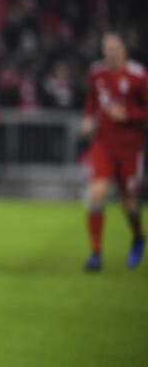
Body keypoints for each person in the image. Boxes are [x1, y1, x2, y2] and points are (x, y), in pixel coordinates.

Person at [81, 31, 147, 271]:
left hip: (130, 147)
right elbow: (91, 98)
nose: (111, 53)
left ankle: (138, 236)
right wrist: (89, 117)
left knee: (128, 202)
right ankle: (95, 253)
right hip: (104, 144)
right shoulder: (96, 72)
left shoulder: (139, 75)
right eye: (107, 49)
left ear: (124, 49)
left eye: (115, 48)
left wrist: (127, 115)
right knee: (96, 194)